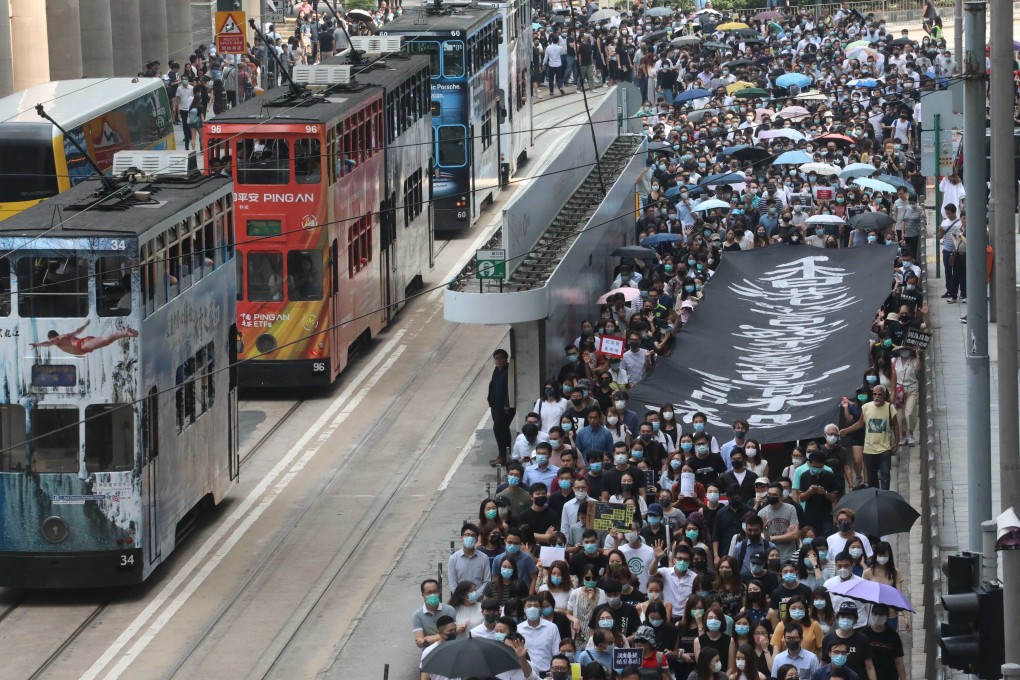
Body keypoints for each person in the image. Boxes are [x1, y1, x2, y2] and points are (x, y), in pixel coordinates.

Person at [838, 384, 898, 490]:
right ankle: (875, 495)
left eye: (880, 394)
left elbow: (896, 425)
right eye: (875, 394)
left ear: (884, 396)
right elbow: (860, 423)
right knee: (872, 477)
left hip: (885, 448)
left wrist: (896, 443)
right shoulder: (866, 407)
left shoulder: (890, 408)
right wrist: (847, 430)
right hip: (870, 449)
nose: (877, 396)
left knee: (885, 474)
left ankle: (885, 494)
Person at [820, 602, 876, 680]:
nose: (846, 620)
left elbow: (869, 667)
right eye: (843, 616)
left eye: (849, 617)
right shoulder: (828, 638)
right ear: (837, 618)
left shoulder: (863, 639)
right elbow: (823, 663)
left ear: (855, 620)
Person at [519, 594, 561, 675]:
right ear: (524, 609)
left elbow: (556, 653)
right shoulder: (518, 629)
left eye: (535, 606)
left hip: (547, 673)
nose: (532, 608)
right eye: (529, 606)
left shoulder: (552, 627)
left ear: (540, 609)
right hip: (527, 674)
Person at [860, 604, 905, 680]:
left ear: (887, 616)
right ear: (872, 614)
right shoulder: (863, 635)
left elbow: (899, 662)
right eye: (876, 614)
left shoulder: (893, 636)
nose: (878, 617)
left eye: (881, 614)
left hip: (889, 675)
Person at [488, 349, 515, 466]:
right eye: (496, 358)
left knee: (498, 429)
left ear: (505, 359)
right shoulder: (496, 371)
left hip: (504, 408)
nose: (498, 360)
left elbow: (509, 389)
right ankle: (503, 455)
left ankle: (503, 456)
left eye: (500, 358)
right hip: (496, 407)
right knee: (502, 430)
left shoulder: (508, 372)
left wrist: (507, 405)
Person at [413, 579, 457, 650]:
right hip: (429, 651)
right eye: (428, 593)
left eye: (435, 591)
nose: (432, 595)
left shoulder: (449, 610)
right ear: (423, 595)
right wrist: (444, 634)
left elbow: (452, 635)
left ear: (439, 592)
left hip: (448, 649)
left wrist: (426, 640)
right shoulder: (417, 615)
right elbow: (419, 643)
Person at [419, 615, 458, 680]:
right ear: (440, 633)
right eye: (450, 631)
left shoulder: (458, 648)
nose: (453, 633)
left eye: (455, 630)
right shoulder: (429, 652)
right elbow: (424, 677)